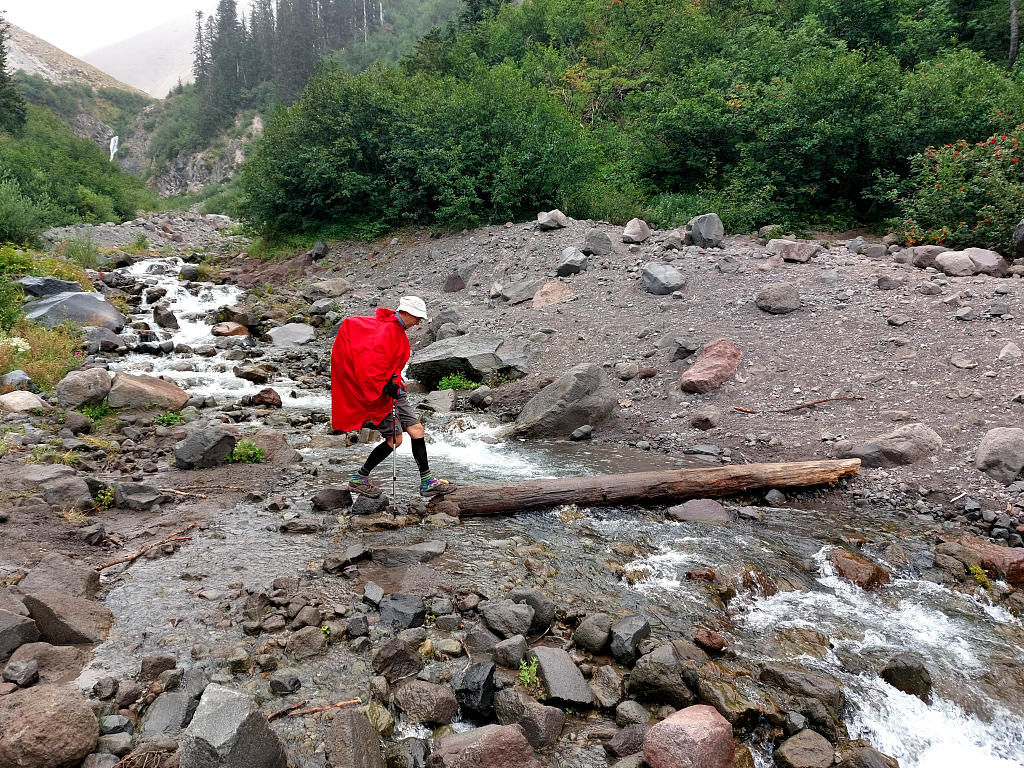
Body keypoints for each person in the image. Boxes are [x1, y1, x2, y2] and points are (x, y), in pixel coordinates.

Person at [330, 295, 455, 498]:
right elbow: (371, 365)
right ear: (406, 312)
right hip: (383, 394)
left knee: (417, 430)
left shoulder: (394, 329)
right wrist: (385, 387)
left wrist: (393, 385)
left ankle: (427, 482)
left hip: (395, 389)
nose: (418, 323)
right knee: (396, 439)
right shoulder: (388, 330)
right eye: (416, 318)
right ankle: (359, 478)